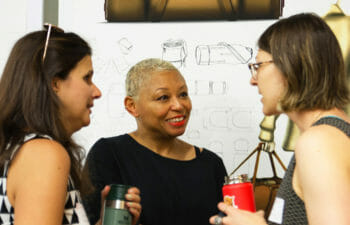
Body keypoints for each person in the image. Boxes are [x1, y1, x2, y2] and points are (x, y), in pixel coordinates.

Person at [210, 13, 350, 225]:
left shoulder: (319, 142)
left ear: (290, 65)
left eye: (259, 66)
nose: (253, 80)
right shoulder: (331, 135)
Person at [0, 24, 141, 225]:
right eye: (87, 78)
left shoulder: (18, 148)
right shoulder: (43, 154)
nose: (97, 92)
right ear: (55, 84)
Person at [83, 58, 227, 225]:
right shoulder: (109, 154)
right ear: (132, 106)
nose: (179, 105)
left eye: (183, 94)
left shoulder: (211, 164)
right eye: (163, 97)